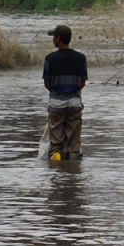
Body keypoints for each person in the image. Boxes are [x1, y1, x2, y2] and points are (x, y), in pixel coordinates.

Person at [42, 24, 87, 161]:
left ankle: (57, 170)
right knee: (73, 145)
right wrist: (72, 92)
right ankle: (73, 170)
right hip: (74, 103)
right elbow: (82, 83)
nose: (53, 40)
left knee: (56, 144)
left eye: (54, 37)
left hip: (56, 104)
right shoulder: (81, 58)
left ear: (59, 39)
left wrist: (57, 92)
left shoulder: (50, 59)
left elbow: (47, 84)